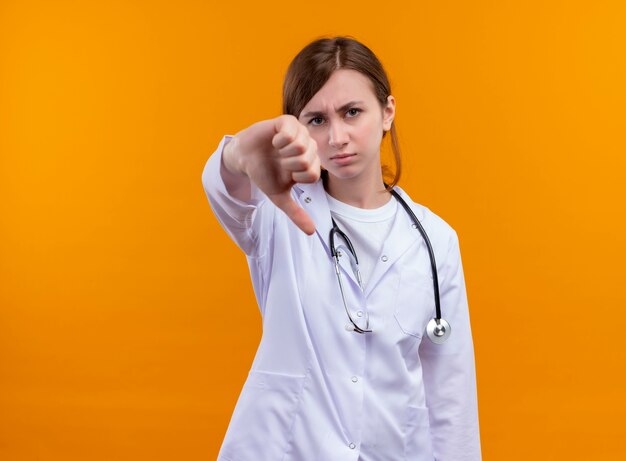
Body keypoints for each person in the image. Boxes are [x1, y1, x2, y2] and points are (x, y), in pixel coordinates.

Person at [202, 36, 481, 461]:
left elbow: (450, 393)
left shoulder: (435, 240)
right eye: (315, 120)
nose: (337, 136)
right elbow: (224, 187)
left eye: (353, 112)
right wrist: (241, 152)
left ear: (387, 112)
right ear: (295, 126)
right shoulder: (278, 211)